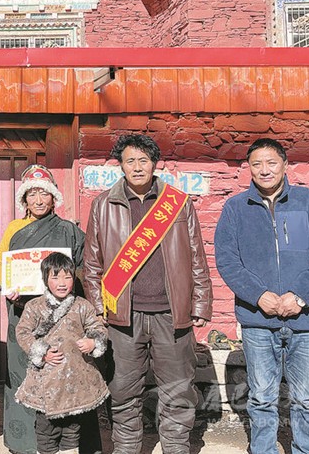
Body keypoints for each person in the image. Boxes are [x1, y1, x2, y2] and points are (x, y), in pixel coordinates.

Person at [82, 134, 212, 454]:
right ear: (121, 166)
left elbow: (196, 257)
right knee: (123, 390)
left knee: (178, 390)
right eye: (130, 161)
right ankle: (127, 448)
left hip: (172, 313)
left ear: (154, 164)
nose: (137, 167)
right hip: (122, 316)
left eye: (143, 160)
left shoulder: (178, 203)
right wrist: (99, 309)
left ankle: (176, 447)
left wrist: (200, 304)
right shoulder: (104, 205)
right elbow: (92, 263)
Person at [214, 138, 309, 454]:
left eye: (271, 162)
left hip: (306, 320)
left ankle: (306, 450)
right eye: (256, 164)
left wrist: (299, 296)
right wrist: (258, 295)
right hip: (258, 320)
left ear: (285, 165)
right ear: (248, 168)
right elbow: (227, 260)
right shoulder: (235, 209)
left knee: (306, 398)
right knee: (261, 397)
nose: (264, 170)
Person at [0, 164, 100, 454]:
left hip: (65, 318)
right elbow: (0, 263)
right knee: (25, 374)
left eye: (44, 194)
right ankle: (24, 442)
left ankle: (71, 443)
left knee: (69, 372)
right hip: (24, 314)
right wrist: (7, 285)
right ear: (24, 200)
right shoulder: (15, 229)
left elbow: (85, 268)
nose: (39, 200)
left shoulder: (69, 231)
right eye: (32, 194)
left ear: (54, 198)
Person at [15, 253, 109, 454]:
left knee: (72, 430)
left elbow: (97, 327)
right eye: (55, 277)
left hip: (75, 381)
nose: (62, 283)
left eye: (67, 277)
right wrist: (41, 352)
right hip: (46, 381)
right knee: (46, 431)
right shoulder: (34, 307)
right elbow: (22, 332)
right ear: (45, 278)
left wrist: (93, 341)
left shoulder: (82, 306)